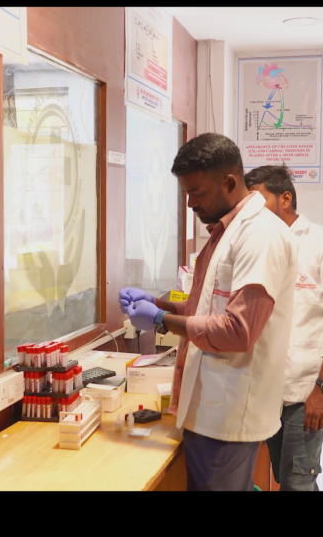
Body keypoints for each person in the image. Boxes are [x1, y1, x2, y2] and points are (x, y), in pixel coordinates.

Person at [119, 133, 298, 491]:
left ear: (229, 183)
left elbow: (238, 331)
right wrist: (159, 304)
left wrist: (159, 320)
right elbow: (207, 307)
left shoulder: (260, 236)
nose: (190, 204)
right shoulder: (226, 231)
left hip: (229, 416)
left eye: (197, 193)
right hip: (210, 412)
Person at [244, 164, 323, 492]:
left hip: (306, 390)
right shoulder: (257, 244)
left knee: (298, 481)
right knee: (286, 478)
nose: (250, 210)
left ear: (285, 199)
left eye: (257, 200)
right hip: (265, 392)